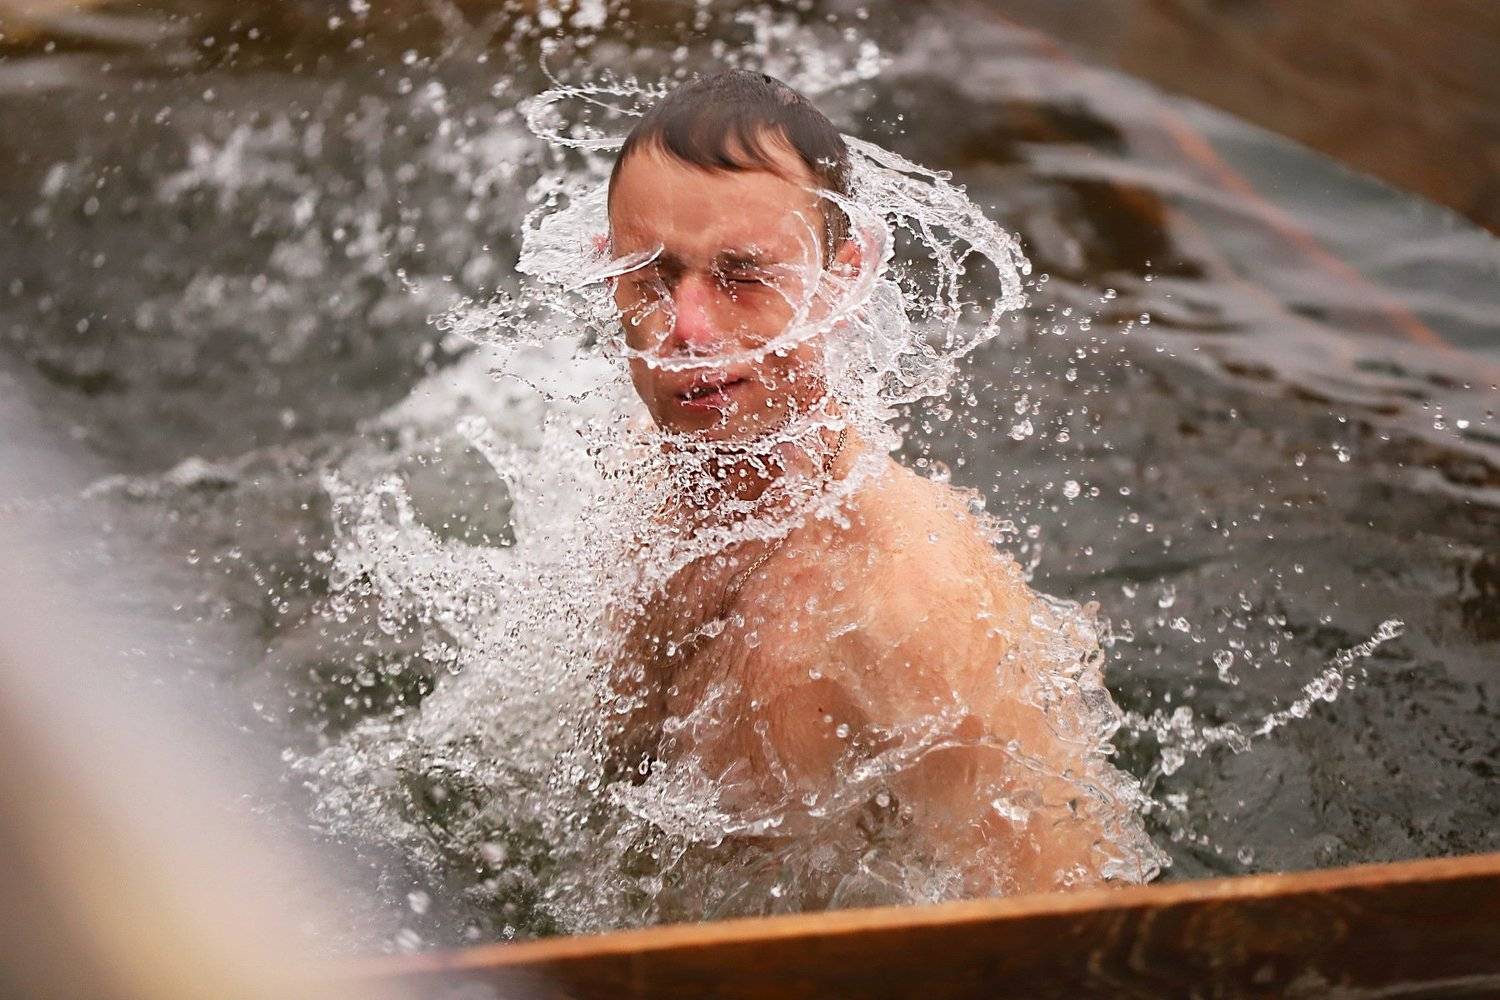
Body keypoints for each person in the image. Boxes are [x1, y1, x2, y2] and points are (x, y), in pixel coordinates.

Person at [602, 70, 1145, 900]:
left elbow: (1076, 919)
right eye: (652, 275)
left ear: (846, 277)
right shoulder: (632, 467)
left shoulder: (901, 603)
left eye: (744, 276)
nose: (690, 330)